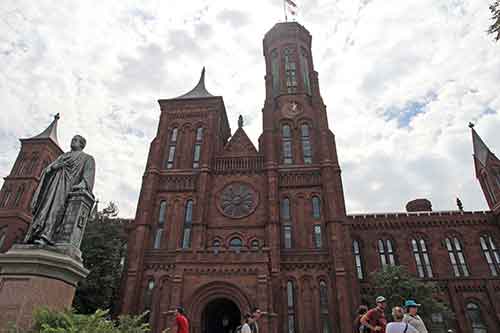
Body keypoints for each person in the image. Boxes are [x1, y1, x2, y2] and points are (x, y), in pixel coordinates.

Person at [24, 134, 95, 245]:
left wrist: (81, 185)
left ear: (82, 144)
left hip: (67, 189)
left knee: (56, 209)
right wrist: (54, 167)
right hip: (53, 187)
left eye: (76, 140)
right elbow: (47, 170)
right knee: (45, 209)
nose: (72, 141)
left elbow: (87, 178)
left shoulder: (87, 158)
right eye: (72, 139)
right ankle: (37, 233)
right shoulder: (62, 156)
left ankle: (47, 236)